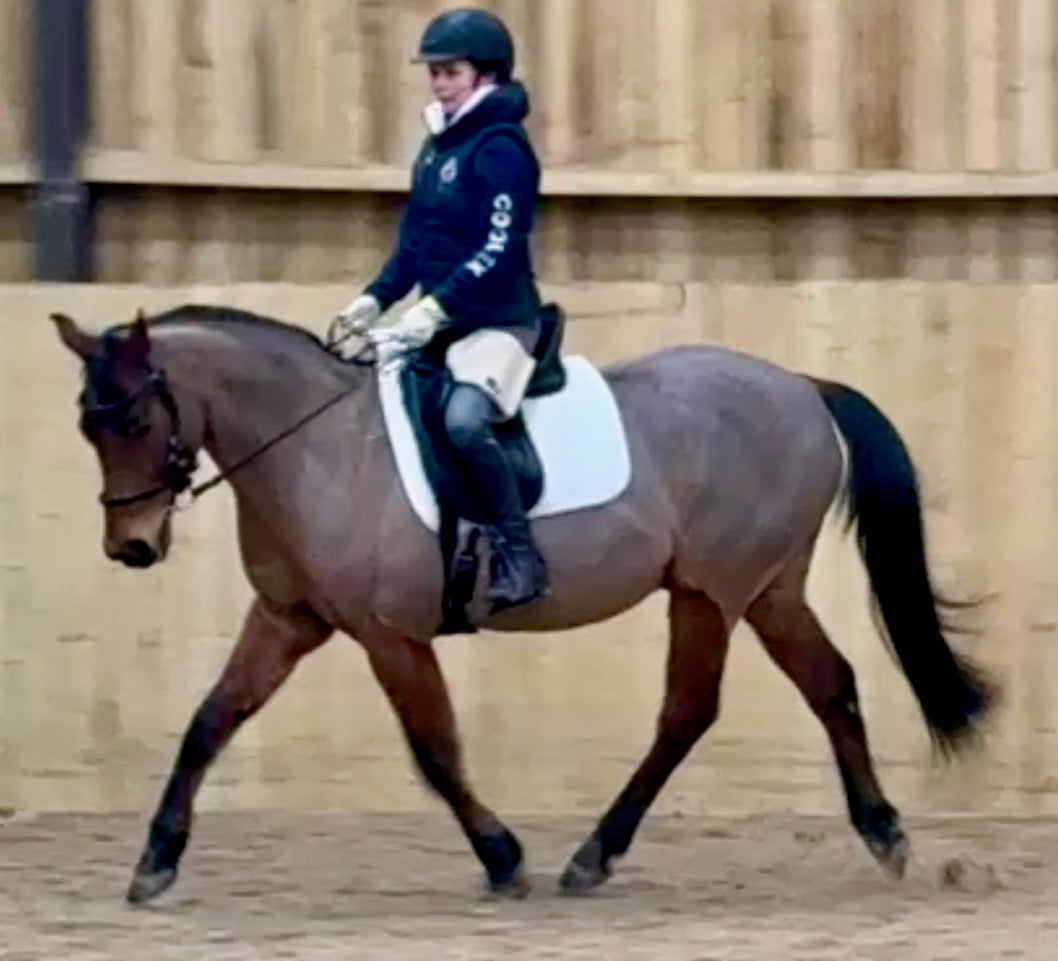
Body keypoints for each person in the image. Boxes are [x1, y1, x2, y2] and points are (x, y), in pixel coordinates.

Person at [332, 6, 549, 613]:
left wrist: (436, 307)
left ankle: (519, 552)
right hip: (441, 323)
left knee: (464, 421)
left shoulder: (503, 149)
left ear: (487, 76)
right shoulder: (435, 150)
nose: (439, 84)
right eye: (435, 74)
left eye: (450, 72)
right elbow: (414, 244)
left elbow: (500, 248)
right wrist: (373, 299)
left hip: (499, 321)